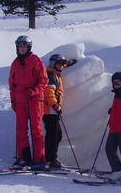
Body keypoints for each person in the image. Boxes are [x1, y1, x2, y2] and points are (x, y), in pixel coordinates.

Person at [9, 35, 48, 170]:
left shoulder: (36, 61)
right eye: (19, 46)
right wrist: (13, 100)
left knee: (36, 129)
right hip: (20, 101)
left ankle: (39, 159)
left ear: (29, 47)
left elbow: (43, 81)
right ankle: (24, 157)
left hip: (34, 100)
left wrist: (34, 91)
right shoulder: (15, 63)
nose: (21, 48)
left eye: (24, 46)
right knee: (21, 130)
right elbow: (12, 84)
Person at [43, 54, 77, 169]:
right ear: (53, 64)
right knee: (53, 135)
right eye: (60, 64)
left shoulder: (55, 73)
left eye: (63, 64)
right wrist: (55, 105)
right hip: (49, 110)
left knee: (56, 134)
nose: (62, 66)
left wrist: (68, 63)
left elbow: (60, 66)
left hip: (52, 111)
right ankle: (50, 159)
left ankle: (51, 158)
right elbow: (48, 92)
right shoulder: (51, 75)